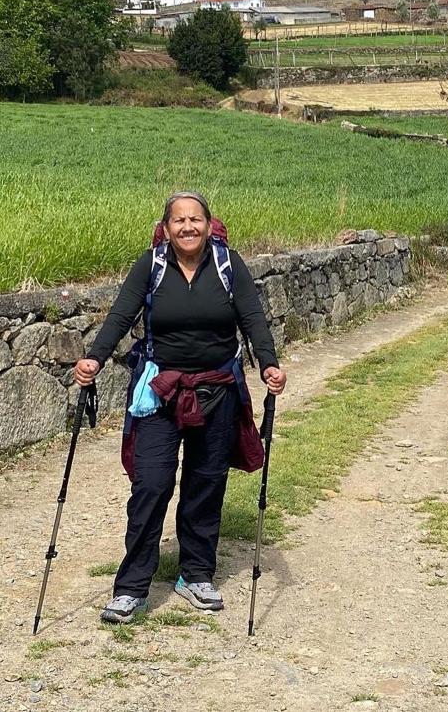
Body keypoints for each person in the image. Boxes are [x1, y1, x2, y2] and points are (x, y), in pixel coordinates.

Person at [74, 191, 286, 623]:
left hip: (218, 389)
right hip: (159, 390)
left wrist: (269, 364)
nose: (187, 227)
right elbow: (119, 317)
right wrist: (94, 357)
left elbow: (252, 318)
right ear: (166, 227)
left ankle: (196, 575)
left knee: (205, 484)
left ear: (209, 225)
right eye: (178, 221)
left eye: (195, 220)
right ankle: (131, 587)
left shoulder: (228, 265)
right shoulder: (150, 265)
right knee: (151, 484)